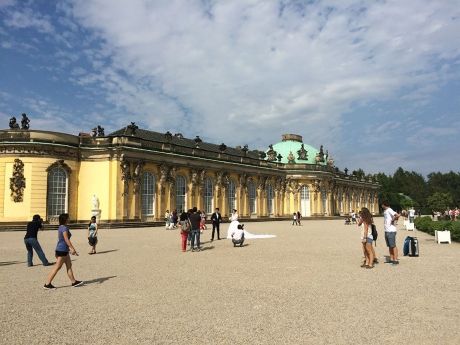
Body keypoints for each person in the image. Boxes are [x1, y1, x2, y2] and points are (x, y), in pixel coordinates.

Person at [44, 213, 83, 289]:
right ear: (65, 219)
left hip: (63, 249)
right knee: (57, 267)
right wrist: (72, 248)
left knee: (69, 266)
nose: (69, 219)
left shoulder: (61, 227)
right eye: (68, 218)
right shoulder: (64, 228)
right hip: (62, 250)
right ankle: (47, 283)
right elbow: (66, 239)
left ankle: (73, 281)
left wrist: (69, 249)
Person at [382, 201, 400, 265]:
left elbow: (397, 215)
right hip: (387, 230)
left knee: (393, 245)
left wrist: (393, 220)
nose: (381, 206)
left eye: (382, 205)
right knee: (390, 245)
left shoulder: (389, 210)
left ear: (384, 205)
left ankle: (395, 259)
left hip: (391, 231)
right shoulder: (386, 211)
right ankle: (391, 259)